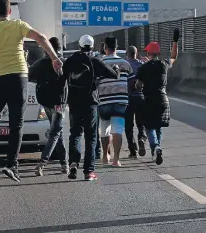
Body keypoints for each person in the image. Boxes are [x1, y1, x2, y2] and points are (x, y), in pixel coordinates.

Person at [0, 0, 62, 182]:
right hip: (18, 78)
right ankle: (12, 164)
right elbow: (41, 38)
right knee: (17, 123)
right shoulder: (19, 25)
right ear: (10, 11)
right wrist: (54, 58)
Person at [62, 35, 118, 181]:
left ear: (79, 46)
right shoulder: (94, 61)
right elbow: (113, 75)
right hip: (90, 103)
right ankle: (89, 171)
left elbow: (61, 79)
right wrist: (116, 69)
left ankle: (73, 163)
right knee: (91, 137)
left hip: (74, 103)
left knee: (75, 133)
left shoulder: (70, 61)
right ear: (92, 47)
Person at [136, 28, 180, 165]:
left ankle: (155, 147)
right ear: (158, 53)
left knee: (149, 127)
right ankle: (156, 151)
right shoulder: (164, 64)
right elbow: (173, 57)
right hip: (163, 99)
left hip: (149, 99)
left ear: (148, 53)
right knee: (159, 126)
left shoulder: (143, 68)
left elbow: (138, 85)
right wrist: (175, 41)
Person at [28, 37, 68, 176]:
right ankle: (42, 163)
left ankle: (64, 164)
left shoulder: (40, 63)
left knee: (57, 132)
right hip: (59, 103)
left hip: (45, 101)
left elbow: (29, 75)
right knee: (56, 132)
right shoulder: (63, 62)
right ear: (59, 48)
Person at [98, 37, 133, 167]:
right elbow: (132, 82)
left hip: (103, 101)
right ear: (116, 47)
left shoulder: (99, 62)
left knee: (104, 129)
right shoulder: (125, 63)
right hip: (120, 101)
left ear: (104, 47)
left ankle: (105, 156)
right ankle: (116, 160)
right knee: (117, 130)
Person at [125, 46, 147, 158]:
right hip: (141, 97)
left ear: (127, 53)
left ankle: (133, 151)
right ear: (136, 53)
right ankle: (142, 138)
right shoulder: (142, 65)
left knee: (128, 126)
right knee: (141, 123)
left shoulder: (125, 65)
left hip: (128, 99)